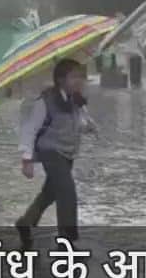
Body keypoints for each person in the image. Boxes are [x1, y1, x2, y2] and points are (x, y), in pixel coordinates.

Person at [15, 59, 96, 249]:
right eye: (73, 76)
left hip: (68, 151)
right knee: (67, 191)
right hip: (50, 151)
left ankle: (25, 223)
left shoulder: (75, 100)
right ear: (60, 79)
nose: (79, 81)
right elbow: (30, 129)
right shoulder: (45, 101)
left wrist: (88, 126)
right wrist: (27, 159)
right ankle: (66, 239)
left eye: (81, 76)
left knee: (50, 192)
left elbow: (78, 124)